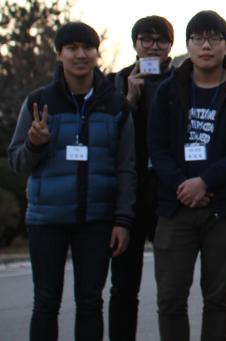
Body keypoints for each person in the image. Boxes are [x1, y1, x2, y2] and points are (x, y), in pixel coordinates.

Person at [8, 21, 136, 341]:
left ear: (97, 53)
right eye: (72, 48)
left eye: (87, 48)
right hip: (46, 219)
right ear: (58, 55)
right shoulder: (39, 102)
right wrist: (34, 144)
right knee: (46, 302)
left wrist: (122, 220)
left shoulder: (116, 105)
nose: (80, 55)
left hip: (97, 220)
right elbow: (17, 161)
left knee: (91, 303)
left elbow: (127, 167)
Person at [148, 10, 226, 341]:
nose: (206, 45)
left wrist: (206, 182)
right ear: (188, 45)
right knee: (170, 298)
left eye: (214, 38)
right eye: (198, 38)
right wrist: (182, 185)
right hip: (175, 205)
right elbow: (157, 146)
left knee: (217, 298)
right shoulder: (168, 90)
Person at [108, 15, 176, 340]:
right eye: (145, 39)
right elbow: (107, 137)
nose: (153, 46)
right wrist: (129, 101)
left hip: (168, 193)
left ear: (170, 46)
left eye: (160, 40)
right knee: (123, 287)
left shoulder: (182, 81)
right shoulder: (116, 81)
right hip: (129, 195)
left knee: (171, 288)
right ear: (135, 43)